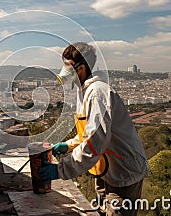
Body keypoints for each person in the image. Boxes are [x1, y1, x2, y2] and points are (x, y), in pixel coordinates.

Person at [39, 42, 149, 216]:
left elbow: (95, 140)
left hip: (123, 171)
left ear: (82, 68)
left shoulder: (98, 93)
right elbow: (87, 133)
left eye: (68, 66)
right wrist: (68, 145)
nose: (64, 71)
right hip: (104, 168)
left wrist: (61, 169)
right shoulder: (83, 91)